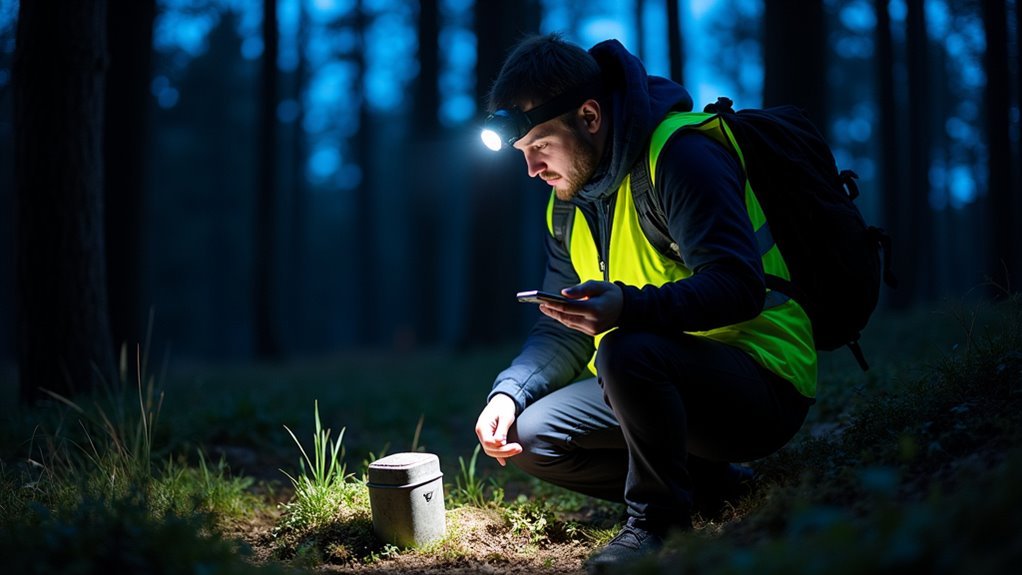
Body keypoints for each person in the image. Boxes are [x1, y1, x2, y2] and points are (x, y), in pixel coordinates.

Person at [473, 34, 816, 572]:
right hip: (653, 383)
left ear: (589, 116)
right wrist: (510, 393)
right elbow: (564, 327)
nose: (532, 170)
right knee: (531, 436)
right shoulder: (567, 207)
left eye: (539, 146)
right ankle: (713, 488)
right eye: (523, 154)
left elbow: (738, 285)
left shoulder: (681, 155)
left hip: (760, 382)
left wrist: (628, 310)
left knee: (627, 349)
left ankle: (657, 522)